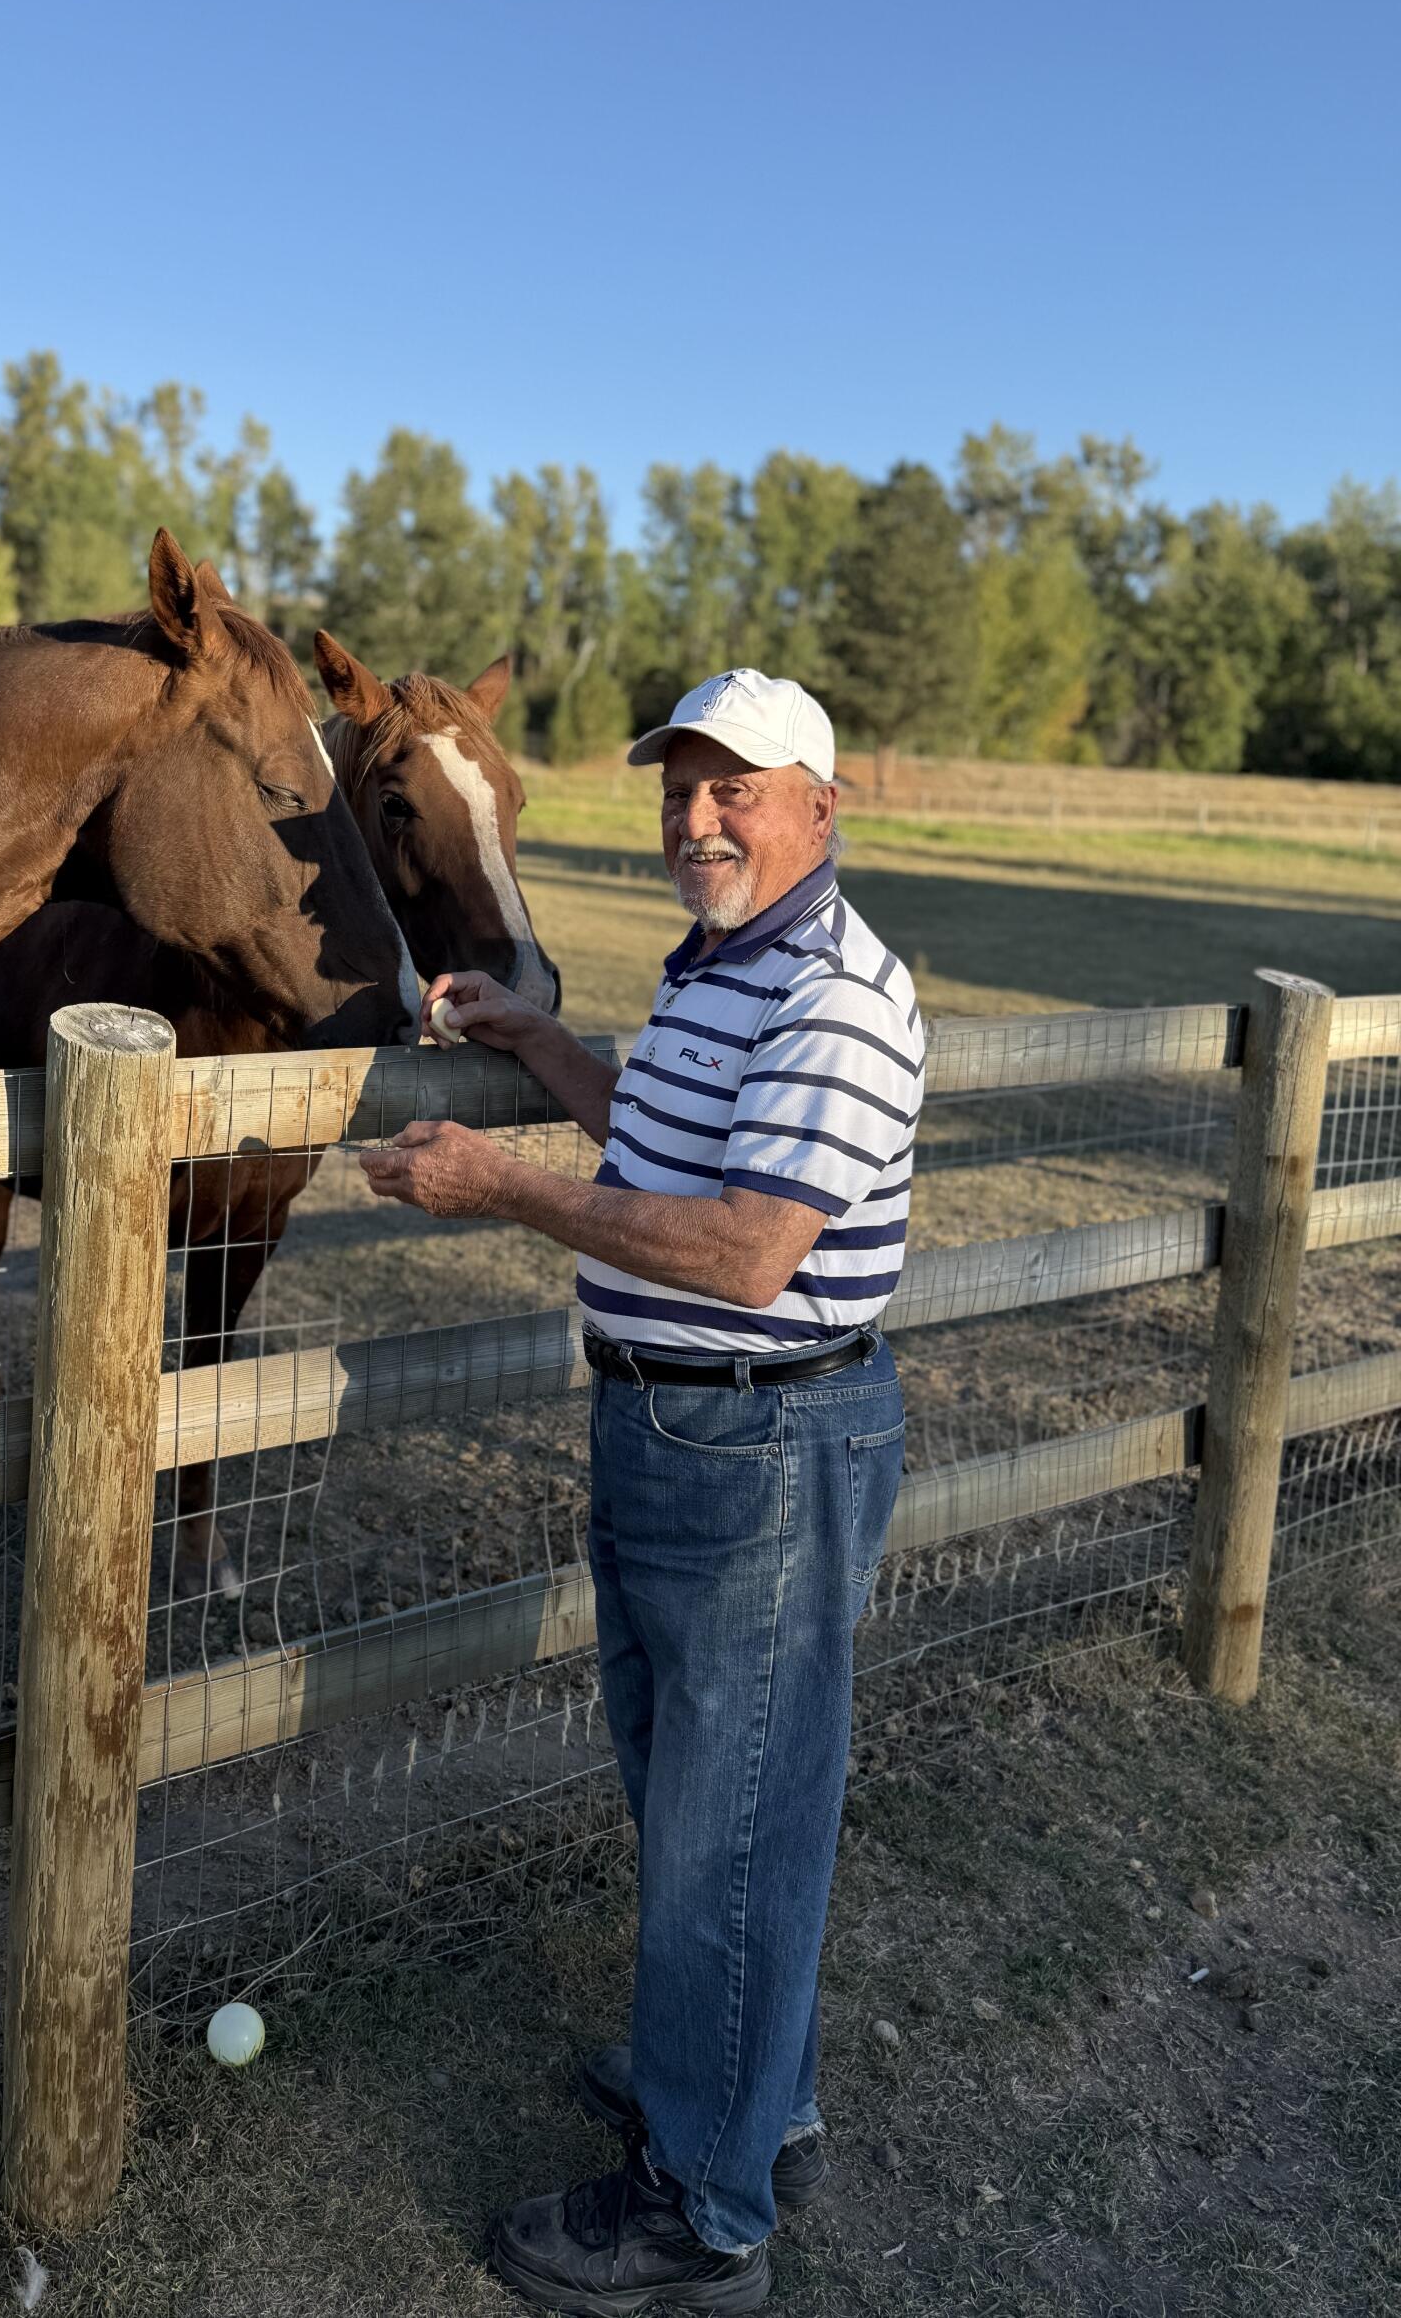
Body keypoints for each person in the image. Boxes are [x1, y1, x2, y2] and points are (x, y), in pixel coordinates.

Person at [361, 668, 924, 2314]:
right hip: (693, 1437)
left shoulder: (830, 990)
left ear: (821, 806)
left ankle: (700, 2215)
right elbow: (687, 1150)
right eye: (681, 786)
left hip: (761, 1440)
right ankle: (747, 2094)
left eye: (733, 788)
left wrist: (503, 1188)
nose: (696, 818)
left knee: (722, 1831)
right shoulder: (719, 971)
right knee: (708, 1803)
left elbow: (751, 1249)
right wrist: (550, 1050)